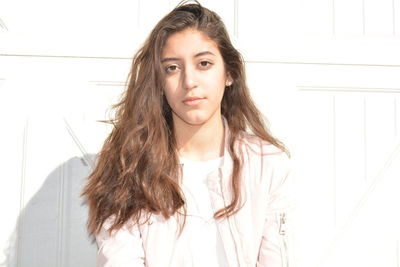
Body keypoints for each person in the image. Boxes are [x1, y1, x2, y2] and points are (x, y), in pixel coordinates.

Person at [82, 1, 296, 266]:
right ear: (159, 83)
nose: (189, 82)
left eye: (204, 63)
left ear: (229, 73)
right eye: (172, 67)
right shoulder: (128, 166)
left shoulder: (267, 164)